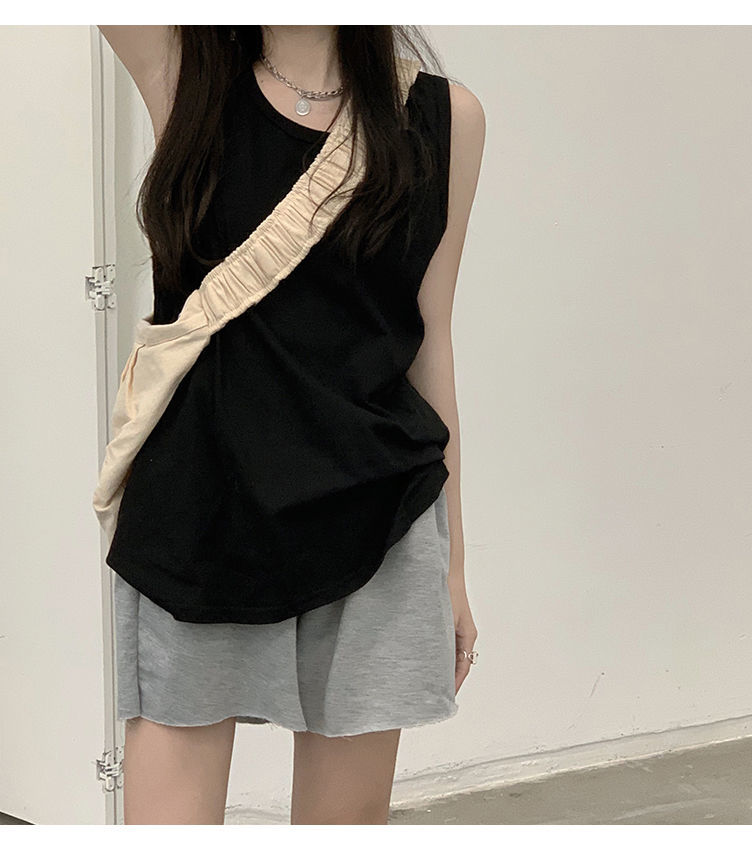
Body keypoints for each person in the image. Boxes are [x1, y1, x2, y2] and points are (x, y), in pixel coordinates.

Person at [95, 24, 485, 825]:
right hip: (200, 507)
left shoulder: (448, 118)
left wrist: (453, 565)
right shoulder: (183, 71)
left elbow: (430, 341)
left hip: (379, 510)